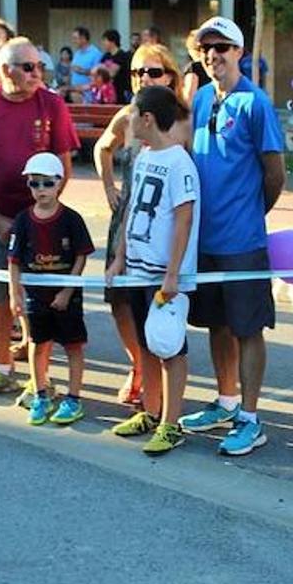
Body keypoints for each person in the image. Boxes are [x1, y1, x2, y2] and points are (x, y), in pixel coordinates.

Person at [179, 16, 287, 456]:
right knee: (217, 324)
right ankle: (225, 402)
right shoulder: (202, 98)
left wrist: (250, 212)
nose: (213, 55)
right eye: (206, 48)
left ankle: (250, 416)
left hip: (243, 241)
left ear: (239, 52)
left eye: (222, 46)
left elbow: (275, 173)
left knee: (248, 328)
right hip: (205, 241)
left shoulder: (256, 103)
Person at [0, 36, 80, 399]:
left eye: (40, 66)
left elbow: (65, 165)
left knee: (38, 301)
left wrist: (41, 214)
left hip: (38, 219)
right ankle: (2, 367)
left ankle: (39, 379)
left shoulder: (52, 104)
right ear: (6, 70)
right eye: (28, 68)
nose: (36, 74)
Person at [93, 43, 195, 408]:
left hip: (164, 231)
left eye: (152, 72)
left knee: (164, 327)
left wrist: (174, 269)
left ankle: (167, 409)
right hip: (131, 224)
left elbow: (185, 205)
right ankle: (139, 369)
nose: (143, 79)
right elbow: (103, 148)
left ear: (170, 75)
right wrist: (108, 186)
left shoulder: (182, 121)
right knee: (122, 302)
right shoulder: (130, 115)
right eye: (137, 73)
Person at [105, 85, 200, 456]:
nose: (128, 120)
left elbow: (183, 217)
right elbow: (131, 209)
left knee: (169, 345)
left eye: (132, 114)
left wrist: (173, 273)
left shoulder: (179, 162)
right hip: (139, 268)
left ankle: (171, 423)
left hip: (163, 273)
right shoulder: (144, 156)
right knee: (146, 343)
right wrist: (119, 256)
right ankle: (150, 409)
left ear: (147, 118)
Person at [8, 152, 94, 426]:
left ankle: (74, 398)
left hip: (66, 298)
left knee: (73, 346)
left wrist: (67, 291)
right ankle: (41, 393)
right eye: (35, 183)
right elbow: (14, 260)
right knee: (36, 343)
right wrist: (15, 293)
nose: (41, 190)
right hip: (36, 297)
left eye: (47, 183)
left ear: (59, 183)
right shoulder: (22, 220)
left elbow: (81, 255)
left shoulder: (72, 219)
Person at [68, 26, 102, 95]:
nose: (73, 41)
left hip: (89, 95)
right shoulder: (77, 53)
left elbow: (99, 75)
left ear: (83, 38)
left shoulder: (95, 53)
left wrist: (81, 71)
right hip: (75, 92)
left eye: (75, 38)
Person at [102, 29, 133, 104]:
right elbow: (98, 71)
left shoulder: (121, 55)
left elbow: (111, 73)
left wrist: (104, 69)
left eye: (105, 40)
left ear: (112, 41)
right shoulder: (106, 56)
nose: (103, 43)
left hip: (120, 92)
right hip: (108, 93)